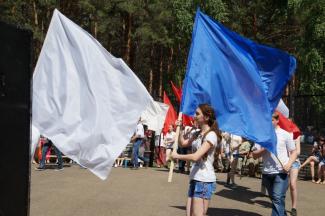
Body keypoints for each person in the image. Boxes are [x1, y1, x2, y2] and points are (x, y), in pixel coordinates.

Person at [171, 104, 221, 216]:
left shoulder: (211, 135)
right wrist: (181, 130)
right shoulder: (197, 133)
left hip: (204, 180)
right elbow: (183, 143)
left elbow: (195, 156)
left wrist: (177, 156)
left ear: (206, 117)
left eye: (197, 113)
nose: (194, 116)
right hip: (195, 177)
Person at [251, 112, 297, 216]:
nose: (269, 122)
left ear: (277, 120)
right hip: (266, 173)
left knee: (277, 198)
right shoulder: (261, 136)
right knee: (276, 200)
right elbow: (254, 155)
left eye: (271, 120)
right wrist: (264, 147)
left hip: (281, 172)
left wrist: (289, 164)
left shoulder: (285, 134)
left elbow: (294, 152)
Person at [289, 134, 301, 216]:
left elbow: (298, 151)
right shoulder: (281, 133)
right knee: (283, 186)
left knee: (292, 184)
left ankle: (294, 207)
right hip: (283, 162)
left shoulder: (297, 136)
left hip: (294, 162)